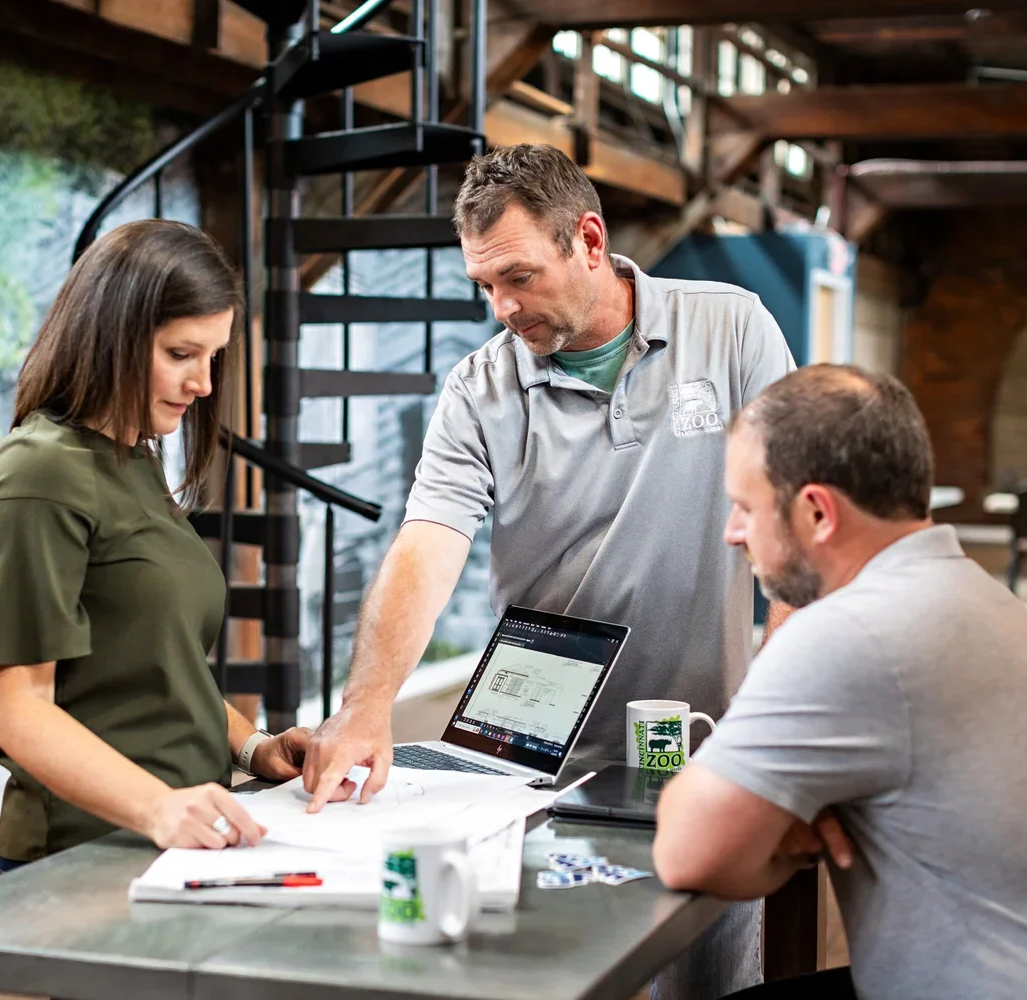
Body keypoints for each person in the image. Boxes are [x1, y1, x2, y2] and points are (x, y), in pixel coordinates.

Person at [302, 143, 796, 996]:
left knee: (710, 983)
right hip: (530, 765)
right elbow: (427, 543)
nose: (501, 307)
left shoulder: (732, 328)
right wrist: (366, 705)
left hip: (703, 748)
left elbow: (792, 530)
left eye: (519, 277)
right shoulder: (478, 390)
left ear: (590, 242)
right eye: (485, 286)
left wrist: (774, 725)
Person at [653, 365, 1027, 1000]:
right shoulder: (967, 593)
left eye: (745, 506)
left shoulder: (855, 631)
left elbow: (688, 853)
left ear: (817, 512)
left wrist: (779, 827)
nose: (731, 533)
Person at [0, 219, 311, 873]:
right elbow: (12, 703)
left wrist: (254, 750)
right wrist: (156, 807)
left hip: (183, 837)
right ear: (109, 339)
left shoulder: (133, 461)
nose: (204, 383)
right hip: (85, 849)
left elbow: (164, 668)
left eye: (213, 356)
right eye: (181, 355)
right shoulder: (35, 476)